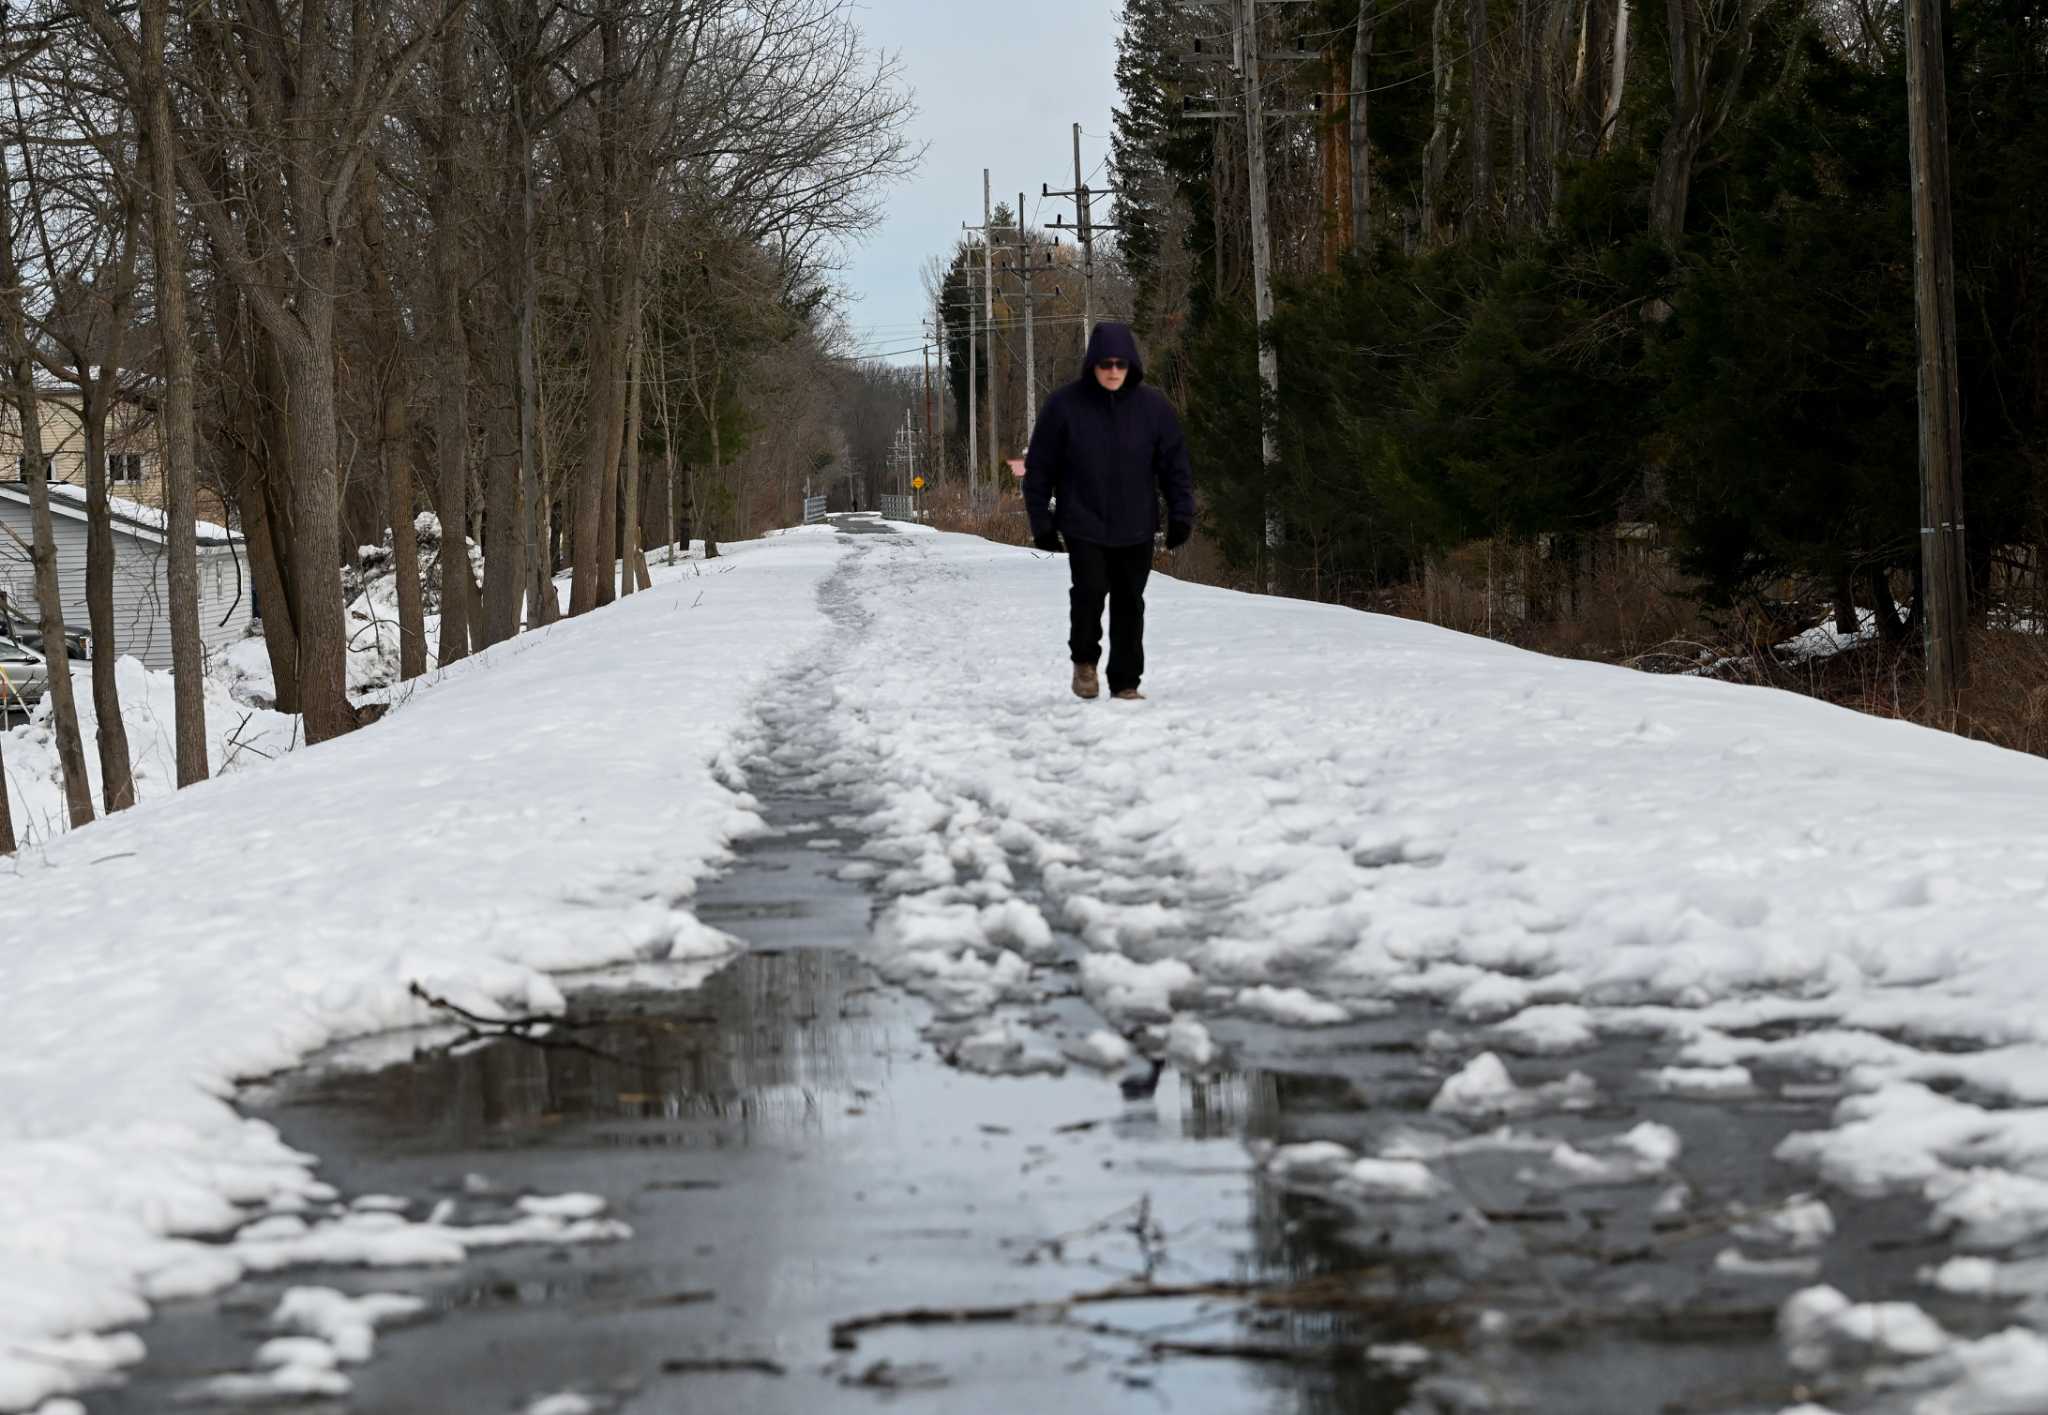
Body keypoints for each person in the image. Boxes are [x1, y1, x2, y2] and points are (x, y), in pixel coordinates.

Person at [1022, 322, 1196, 701]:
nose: (1113, 371)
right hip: (1084, 522)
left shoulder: (1153, 409)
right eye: (1106, 364)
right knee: (1089, 592)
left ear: (1131, 364)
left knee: (1130, 602)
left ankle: (1125, 681)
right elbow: (1039, 468)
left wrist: (1181, 514)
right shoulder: (1064, 407)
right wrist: (1042, 521)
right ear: (1093, 365)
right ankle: (1084, 663)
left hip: (1136, 525)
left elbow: (1175, 467)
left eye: (1120, 363)